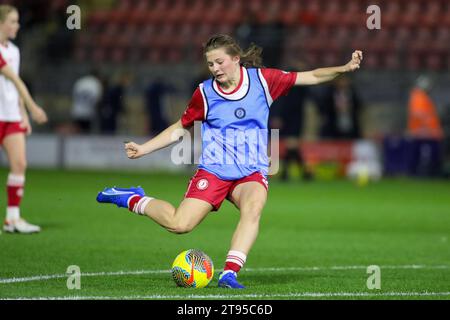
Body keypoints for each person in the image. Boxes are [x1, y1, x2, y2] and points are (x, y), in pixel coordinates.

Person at [96, 35, 362, 288]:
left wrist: (345, 67)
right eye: (210, 64)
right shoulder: (205, 93)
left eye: (219, 62)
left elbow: (313, 76)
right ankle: (131, 198)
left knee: (253, 207)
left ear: (236, 58)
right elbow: (181, 127)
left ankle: (229, 274)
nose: (215, 68)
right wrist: (144, 149)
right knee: (180, 225)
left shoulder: (264, 81)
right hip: (214, 171)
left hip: (250, 172)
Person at [0, 5, 48, 234]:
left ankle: (12, 218)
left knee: (19, 164)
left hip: (10, 115)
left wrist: (24, 114)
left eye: (17, 21)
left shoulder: (15, 51)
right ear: (1, 23)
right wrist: (34, 107)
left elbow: (14, 85)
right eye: (13, 21)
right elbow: (16, 80)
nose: (17, 25)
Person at [71, 69, 103, 134]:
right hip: (88, 113)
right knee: (85, 135)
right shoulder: (96, 83)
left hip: (77, 111)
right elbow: (97, 99)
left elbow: (74, 95)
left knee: (76, 133)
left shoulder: (80, 81)